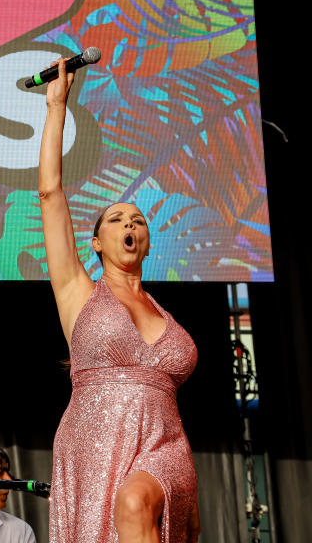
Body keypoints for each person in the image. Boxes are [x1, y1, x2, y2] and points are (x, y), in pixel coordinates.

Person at [37, 60, 200, 543]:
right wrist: (58, 106)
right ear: (96, 243)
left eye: (138, 220)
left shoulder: (165, 315)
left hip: (166, 445)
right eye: (116, 220)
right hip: (94, 442)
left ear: (147, 242)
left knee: (135, 501)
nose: (130, 224)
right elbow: (50, 194)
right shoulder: (78, 292)